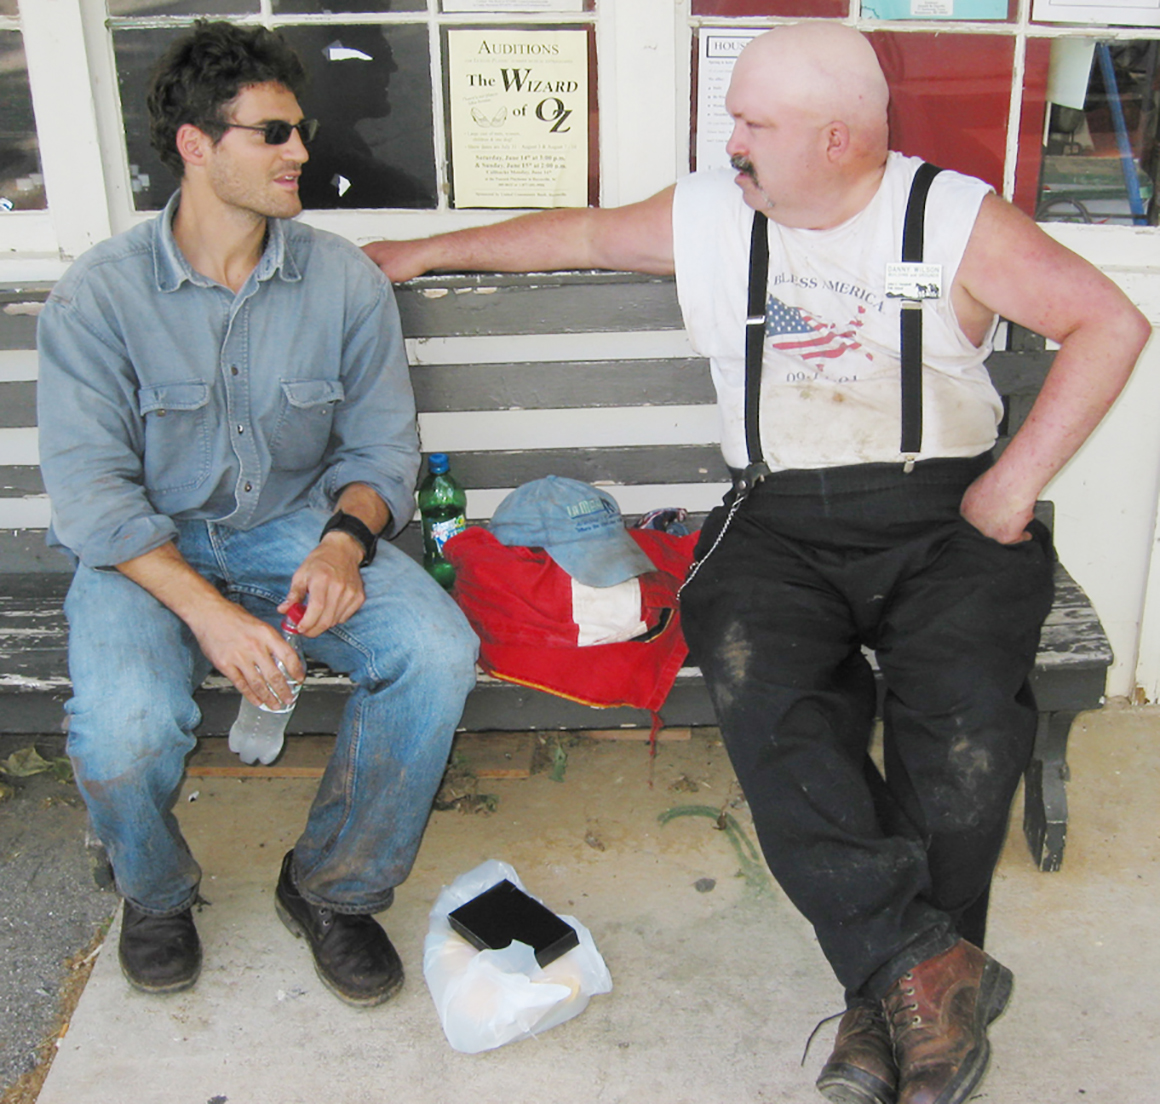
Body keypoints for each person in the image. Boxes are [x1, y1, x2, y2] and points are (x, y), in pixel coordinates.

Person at [362, 21, 1150, 1103]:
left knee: (962, 732)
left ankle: (895, 1006)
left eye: (752, 124)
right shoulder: (711, 212)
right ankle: (920, 975)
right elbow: (580, 233)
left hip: (942, 511)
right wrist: (418, 252)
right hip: (776, 516)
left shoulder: (949, 215)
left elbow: (1106, 321)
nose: (728, 141)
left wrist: (1011, 483)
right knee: (767, 699)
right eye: (731, 118)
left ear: (836, 139)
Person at [37, 21, 478, 1008]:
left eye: (300, 129)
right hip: (143, 552)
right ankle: (152, 892)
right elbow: (92, 496)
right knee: (125, 729)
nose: (302, 153)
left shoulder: (342, 281)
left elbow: (377, 457)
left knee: (435, 650)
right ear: (197, 145)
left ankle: (333, 887)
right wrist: (207, 612)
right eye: (273, 134)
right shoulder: (99, 298)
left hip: (290, 524)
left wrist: (340, 545)